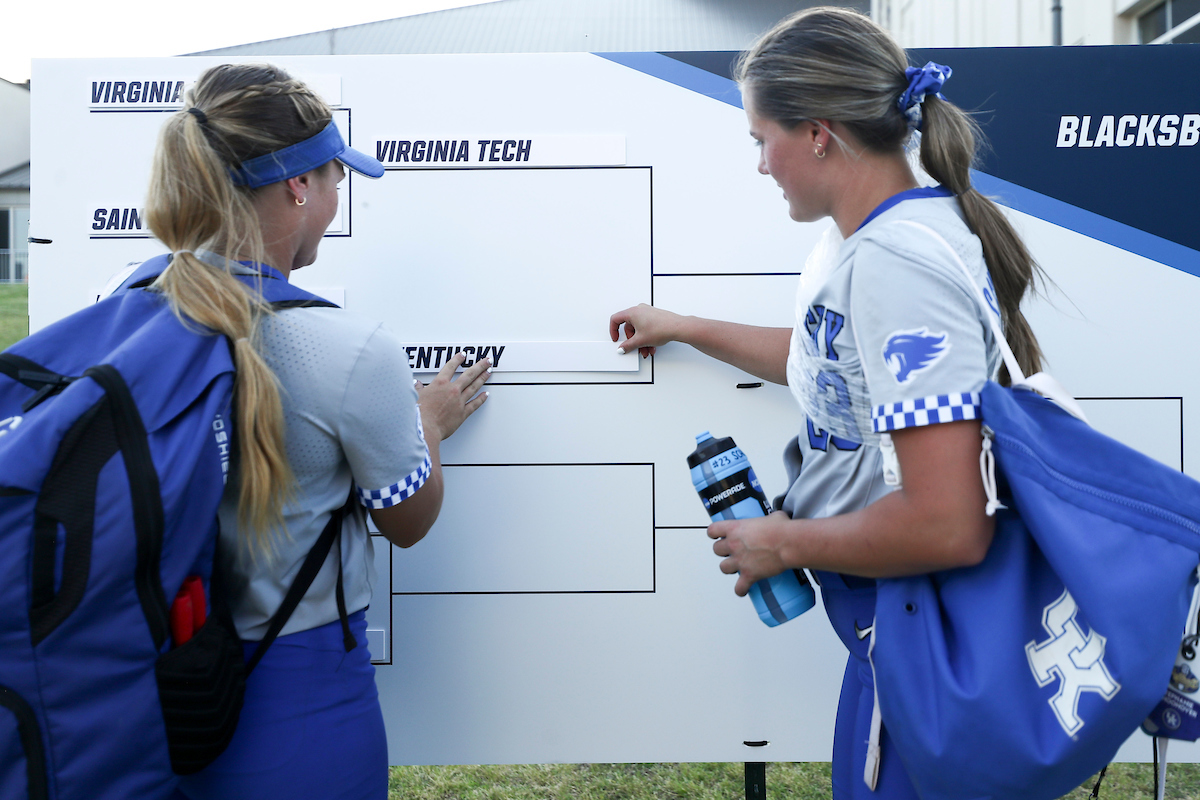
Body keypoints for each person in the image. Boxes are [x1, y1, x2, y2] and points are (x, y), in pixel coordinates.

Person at [609, 8, 1045, 799]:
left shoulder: (897, 263)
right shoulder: (866, 240)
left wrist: (787, 543)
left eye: (759, 138)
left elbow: (948, 523)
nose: (760, 164)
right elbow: (832, 369)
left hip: (923, 639)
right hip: (892, 635)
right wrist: (688, 325)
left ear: (817, 133)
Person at [141, 64, 490, 800]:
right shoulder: (345, 347)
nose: (336, 199)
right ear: (299, 186)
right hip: (297, 704)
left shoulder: (129, 302)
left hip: (148, 696)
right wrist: (427, 420)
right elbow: (408, 520)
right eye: (336, 178)